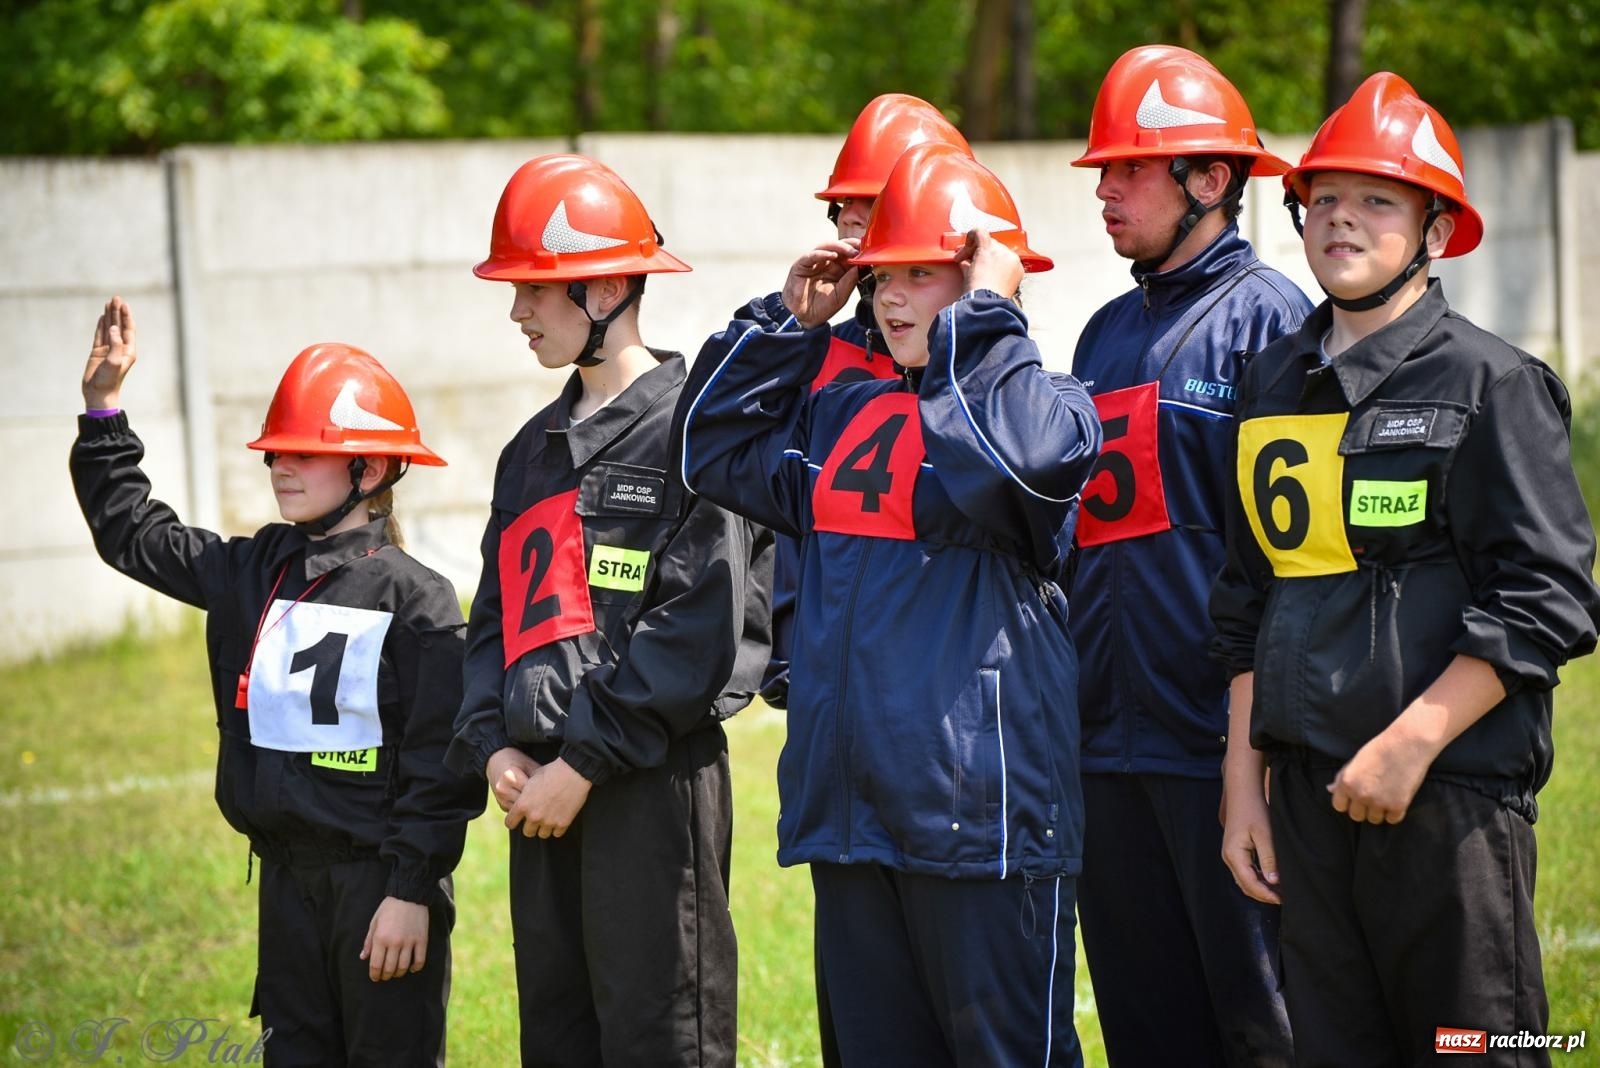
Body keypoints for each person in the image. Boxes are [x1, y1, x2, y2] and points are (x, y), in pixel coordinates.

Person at [681, 140, 1102, 1066]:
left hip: (982, 823)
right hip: (855, 814)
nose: (893, 296)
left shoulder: (1054, 411)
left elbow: (1021, 461)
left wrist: (989, 311)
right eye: (882, 277)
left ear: (988, 282)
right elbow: (708, 448)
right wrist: (785, 326)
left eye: (923, 274)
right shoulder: (841, 415)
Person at [1211, 72, 1600, 1065]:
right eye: (1323, 198)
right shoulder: (1274, 385)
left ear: (1435, 230)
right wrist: (1244, 787)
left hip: (1446, 808)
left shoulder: (1493, 385)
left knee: (1478, 1053)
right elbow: (1251, 595)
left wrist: (1411, 745)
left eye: (1377, 199)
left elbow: (1545, 598)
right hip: (1304, 804)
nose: (1341, 219)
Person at [70, 300, 483, 1067]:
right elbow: (133, 533)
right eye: (274, 453)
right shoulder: (251, 569)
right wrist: (104, 412)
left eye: (305, 452)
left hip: (378, 892)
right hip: (286, 889)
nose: (280, 467)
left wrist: (411, 891)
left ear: (373, 466)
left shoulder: (417, 598)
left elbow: (443, 763)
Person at [446, 153, 771, 1067]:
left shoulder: (693, 436)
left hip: (646, 792)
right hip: (538, 799)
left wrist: (584, 762)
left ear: (603, 286)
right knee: (559, 1034)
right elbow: (492, 626)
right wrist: (497, 746)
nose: (516, 313)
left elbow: (696, 630)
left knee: (662, 1039)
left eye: (534, 291)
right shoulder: (528, 454)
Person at [1064, 44, 1308, 1066]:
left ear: (1210, 180)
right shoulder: (1099, 334)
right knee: (1144, 1031)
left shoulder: (1276, 324)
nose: (1105, 192)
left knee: (1262, 1032)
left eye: (1129, 170)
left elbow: (1294, 564)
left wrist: (1252, 746)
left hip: (1222, 751)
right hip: (1104, 751)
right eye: (1103, 171)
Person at [763, 91, 974, 709]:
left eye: (874, 207)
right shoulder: (808, 348)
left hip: (937, 683)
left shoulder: (989, 376)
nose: (856, 227)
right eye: (845, 210)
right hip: (823, 671)